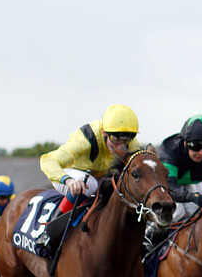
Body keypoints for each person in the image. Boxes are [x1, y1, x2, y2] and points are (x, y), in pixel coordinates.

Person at [36, 104, 142, 253]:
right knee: (89, 184)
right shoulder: (85, 140)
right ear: (104, 133)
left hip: (99, 178)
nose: (121, 146)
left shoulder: (133, 145)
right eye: (115, 139)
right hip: (70, 175)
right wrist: (68, 180)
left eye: (126, 141)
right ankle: (47, 233)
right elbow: (47, 160)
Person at [144, 115, 202, 251]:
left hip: (191, 183)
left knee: (196, 212)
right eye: (196, 146)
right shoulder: (170, 150)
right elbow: (171, 188)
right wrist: (194, 197)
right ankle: (149, 235)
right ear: (185, 142)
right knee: (177, 212)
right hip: (167, 185)